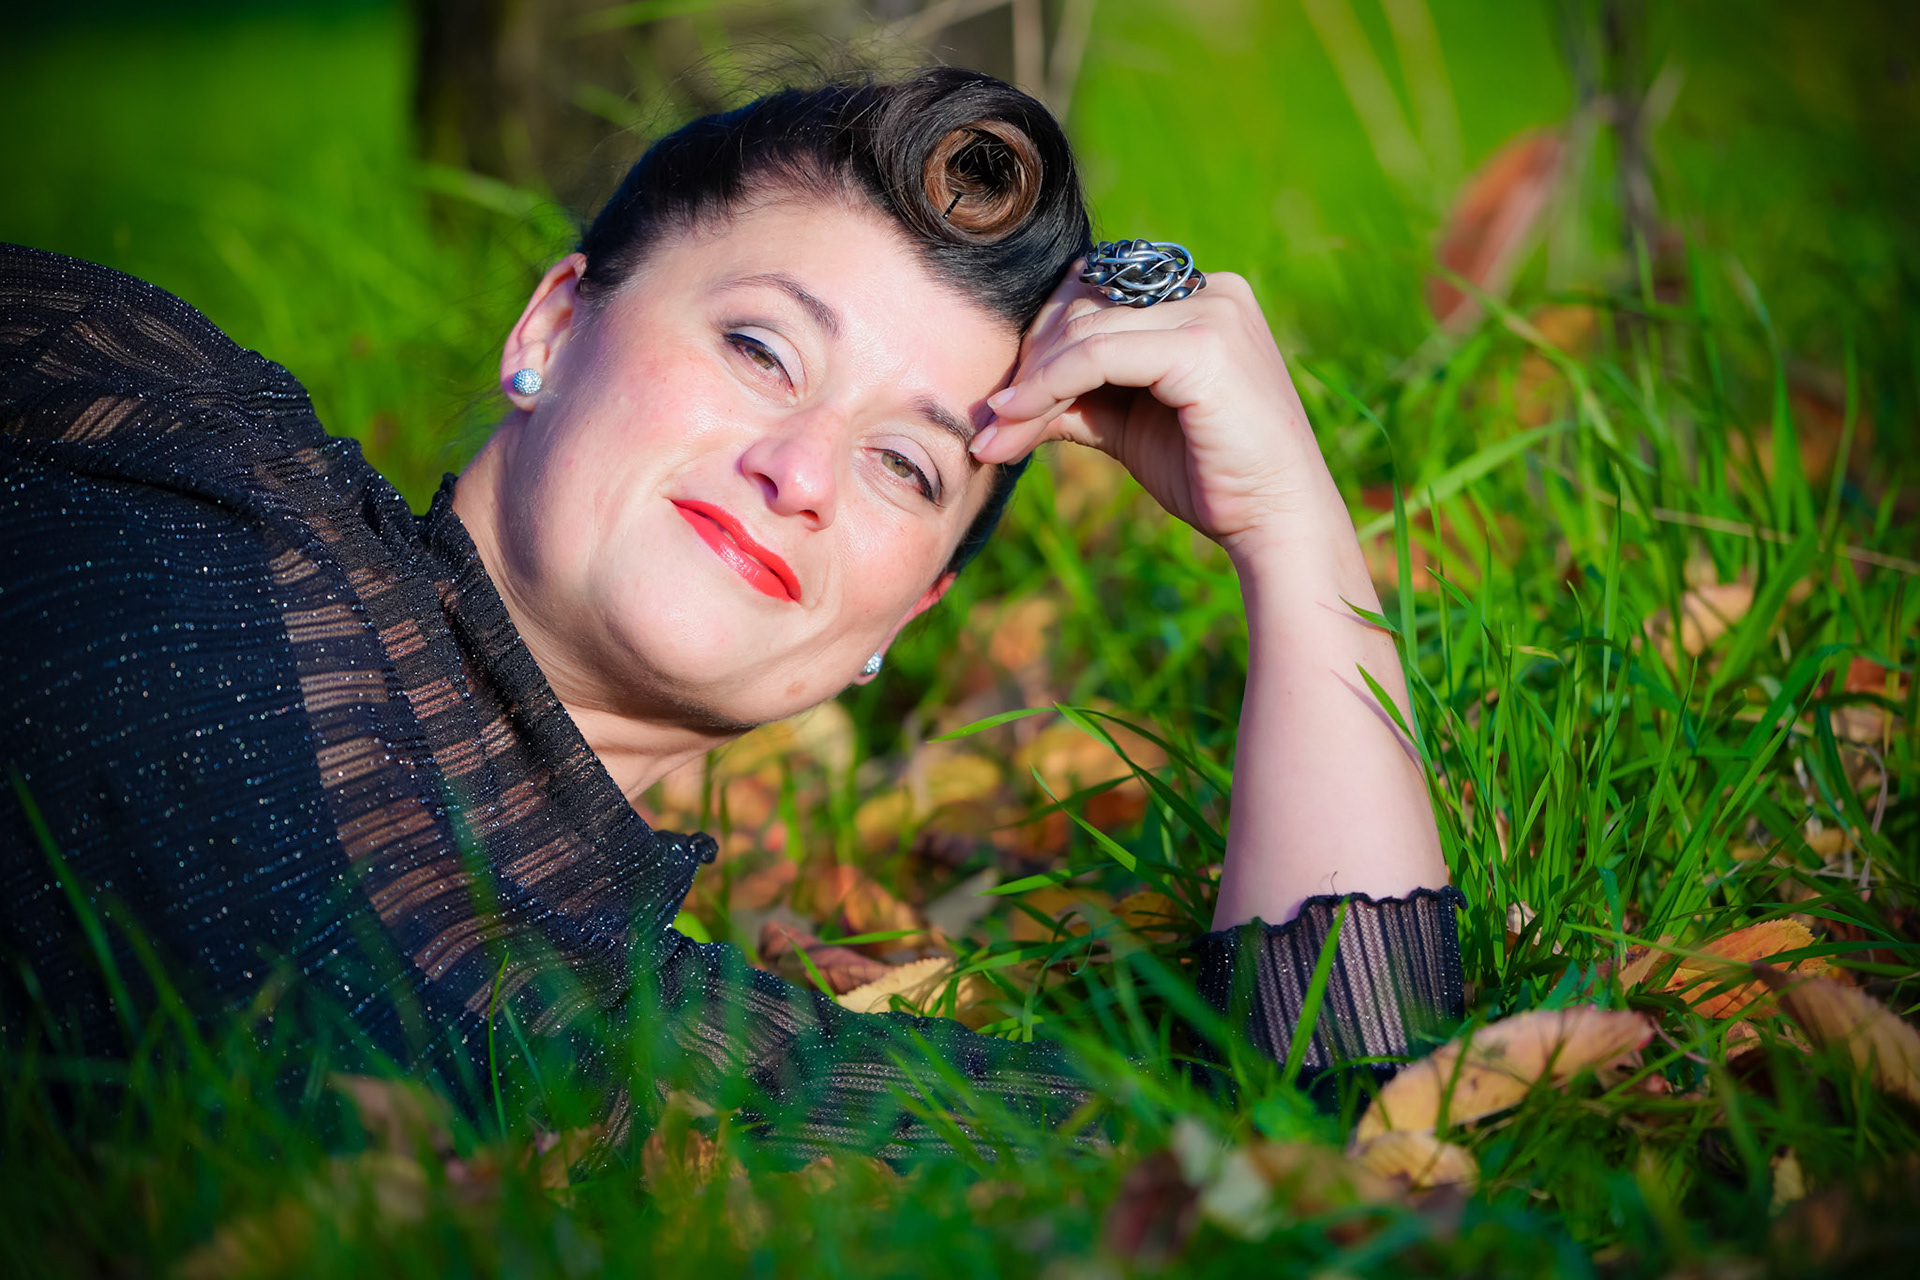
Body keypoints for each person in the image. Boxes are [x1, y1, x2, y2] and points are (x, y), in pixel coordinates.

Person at [1, 67, 1462, 1158]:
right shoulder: (160, 419)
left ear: (907, 616)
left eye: (906, 465)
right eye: (762, 349)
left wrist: (1295, 533)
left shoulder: (681, 1053)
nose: (801, 473)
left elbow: (1337, 1137)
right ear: (551, 325)